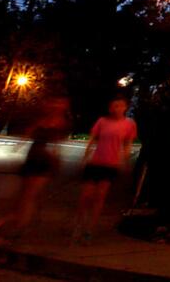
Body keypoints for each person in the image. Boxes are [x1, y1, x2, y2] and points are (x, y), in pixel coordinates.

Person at [0, 96, 70, 241]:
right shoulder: (42, 119)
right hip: (32, 157)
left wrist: (55, 161)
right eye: (55, 103)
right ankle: (20, 223)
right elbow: (28, 134)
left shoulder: (61, 123)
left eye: (60, 104)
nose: (56, 106)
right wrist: (17, 147)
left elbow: (57, 146)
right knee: (24, 195)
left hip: (44, 161)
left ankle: (17, 225)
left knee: (28, 196)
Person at [72, 96, 137, 245]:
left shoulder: (129, 124)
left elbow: (127, 144)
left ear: (125, 107)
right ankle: (79, 224)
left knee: (100, 197)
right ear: (110, 108)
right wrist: (85, 156)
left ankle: (89, 229)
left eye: (120, 105)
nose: (117, 108)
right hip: (96, 162)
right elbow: (92, 139)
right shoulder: (102, 121)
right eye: (114, 106)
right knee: (85, 195)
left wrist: (125, 161)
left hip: (110, 164)